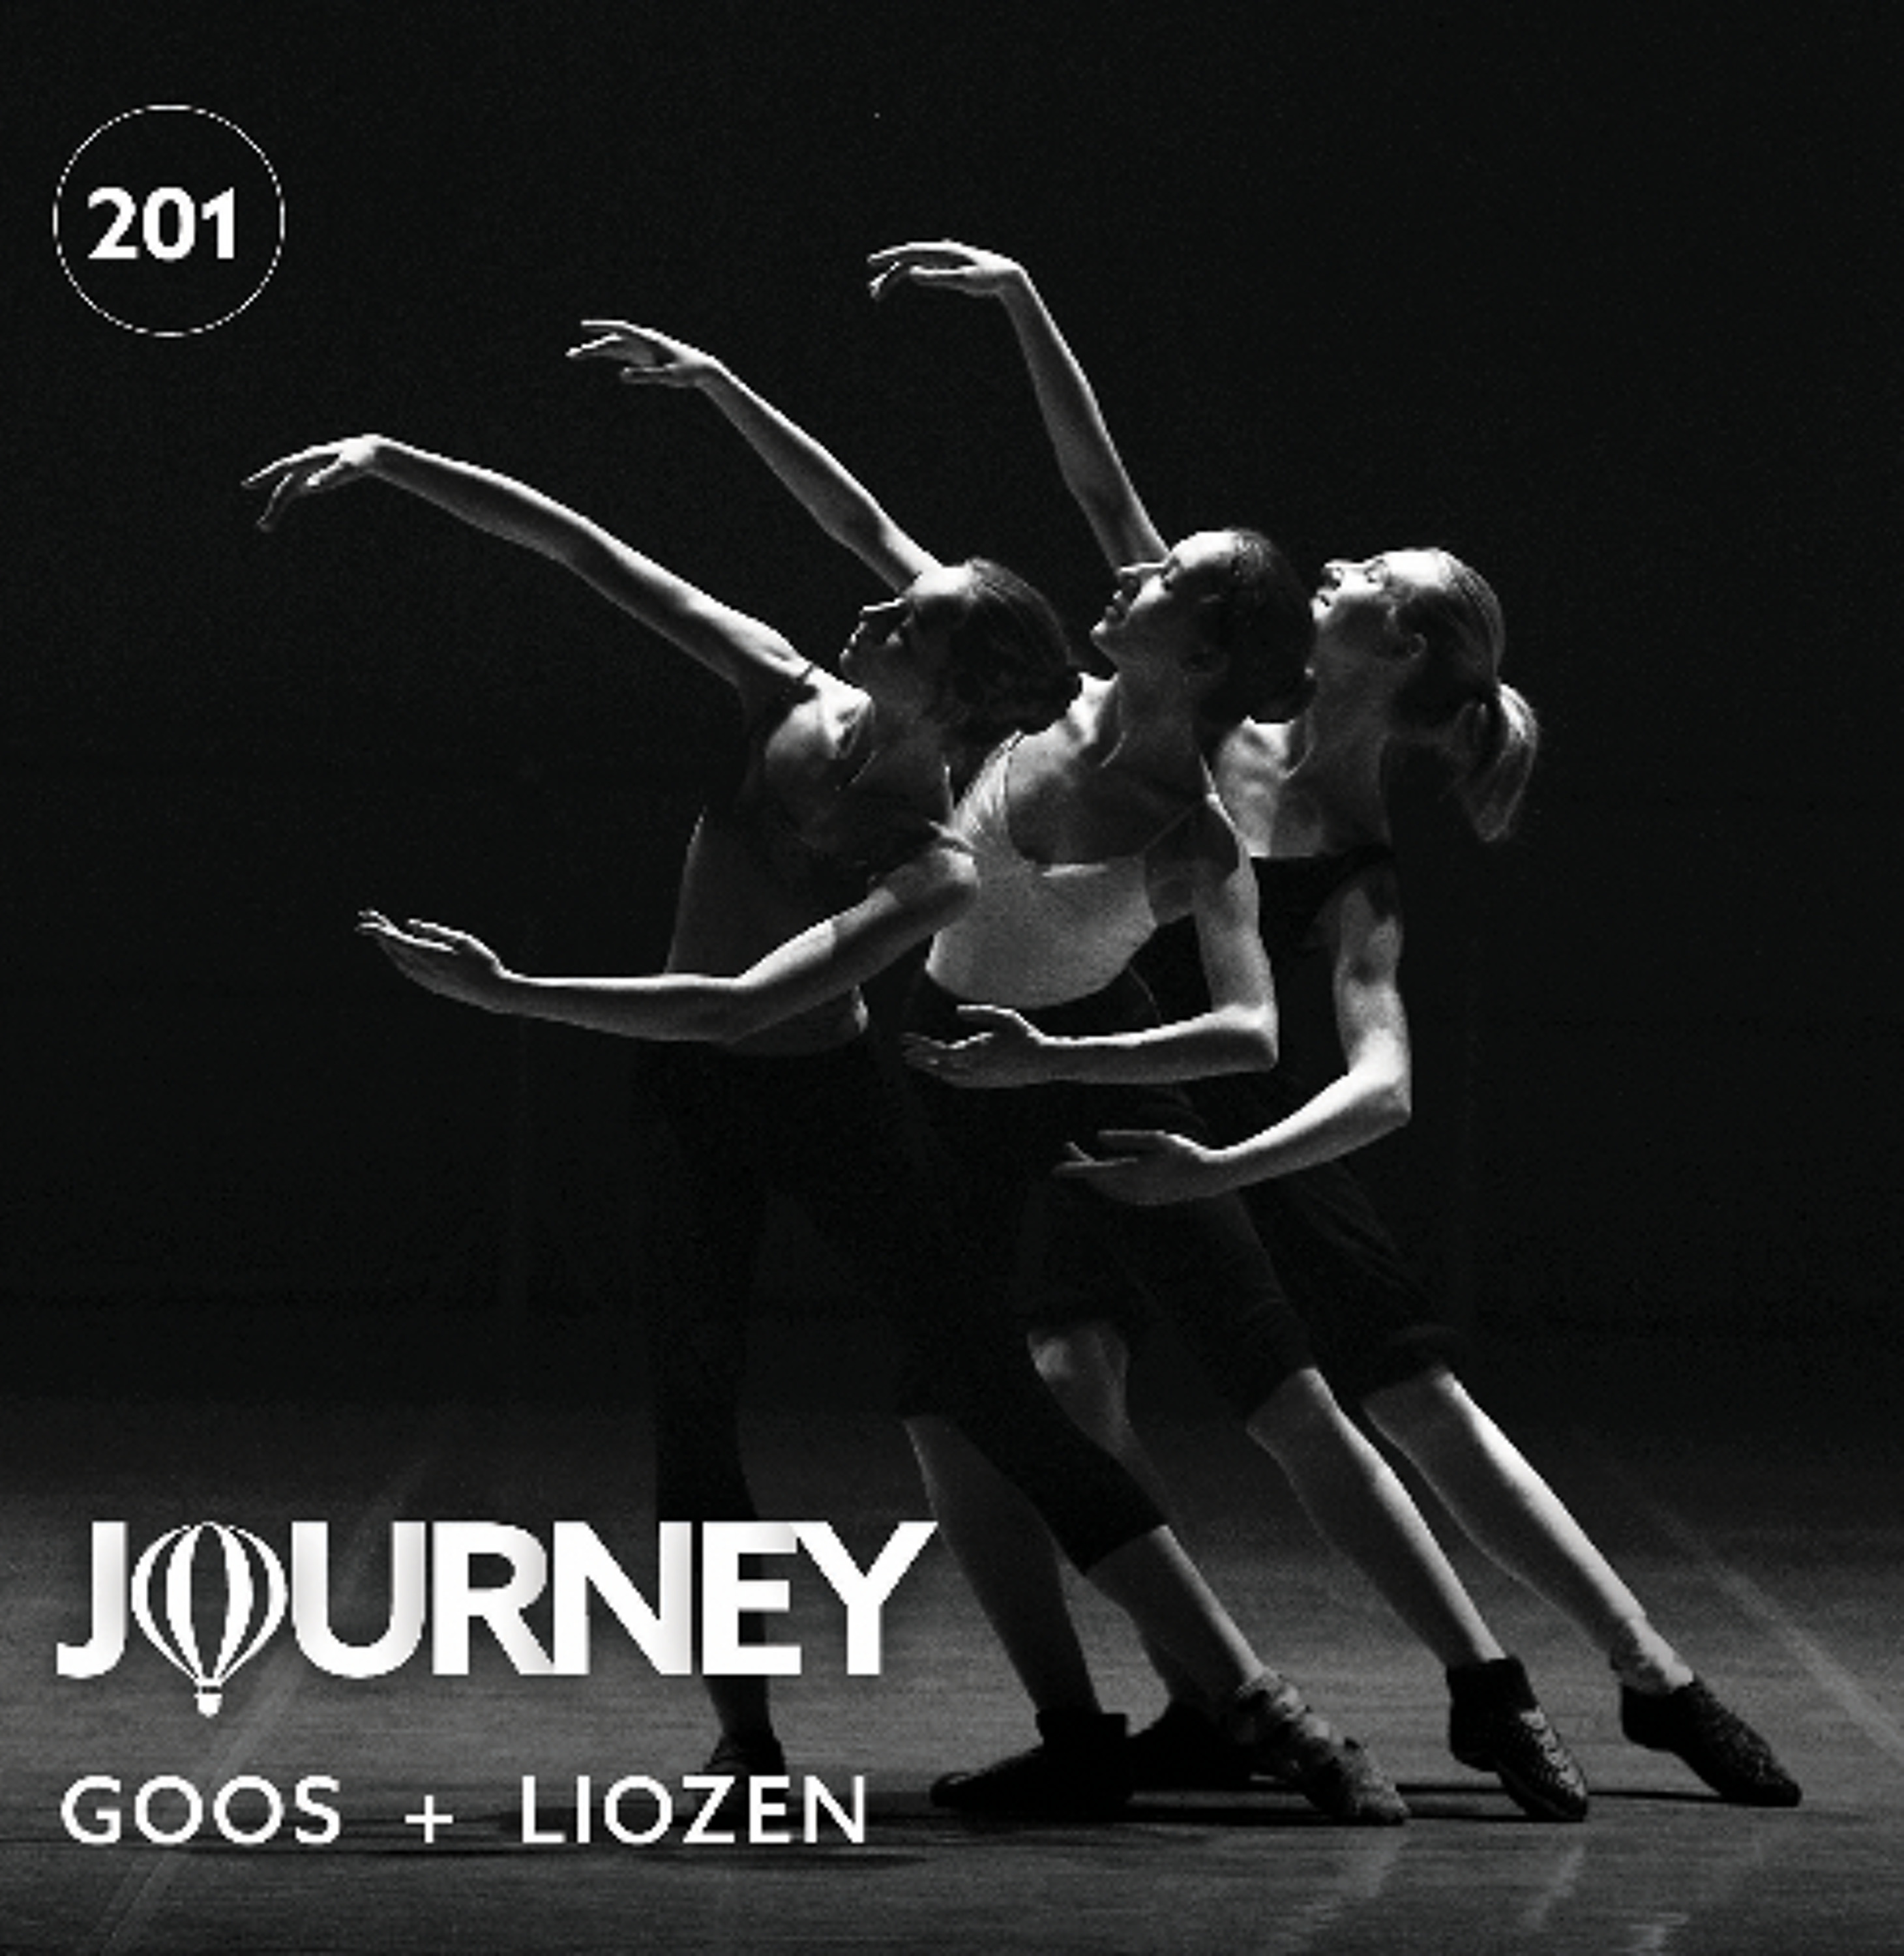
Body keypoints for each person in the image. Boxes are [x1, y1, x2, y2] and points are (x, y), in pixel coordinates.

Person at [241, 324, 1410, 1825]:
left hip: (828, 1101)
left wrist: (511, 990)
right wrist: (395, 459)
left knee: (993, 1395)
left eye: (906, 621)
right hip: (695, 1104)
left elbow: (743, 1004)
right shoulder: (779, 685)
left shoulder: (933, 860)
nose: (870, 609)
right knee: (695, 1414)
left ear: (951, 685)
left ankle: (1258, 1703)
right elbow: (591, 551)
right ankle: (746, 1740)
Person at [865, 238, 1800, 1811]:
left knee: (1405, 1398)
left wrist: (1234, 1165)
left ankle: (1645, 1676)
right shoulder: (1209, 715)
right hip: (1119, 1083)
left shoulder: (1356, 859)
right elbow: (1101, 491)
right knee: (1071, 1370)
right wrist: (1025, 300)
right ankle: (1206, 1693)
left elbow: (1380, 1086)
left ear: (1403, 647)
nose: (1337, 564)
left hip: (1248, 1121)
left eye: (1369, 577)